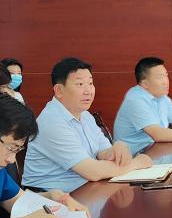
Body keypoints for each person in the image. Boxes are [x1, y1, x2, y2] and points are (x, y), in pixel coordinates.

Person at [23, 58, 152, 192]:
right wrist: (136, 163)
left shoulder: (85, 116)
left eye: (90, 83)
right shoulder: (51, 122)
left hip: (84, 189)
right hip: (51, 198)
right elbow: (92, 172)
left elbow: (103, 153)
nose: (88, 91)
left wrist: (117, 148)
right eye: (80, 84)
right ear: (59, 90)